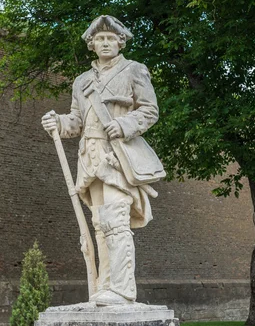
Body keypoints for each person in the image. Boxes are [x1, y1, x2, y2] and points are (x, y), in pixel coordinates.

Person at [41, 15, 164, 306]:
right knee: (98, 224)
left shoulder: (134, 70)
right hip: (90, 157)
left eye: (111, 38)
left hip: (117, 157)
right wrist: (57, 122)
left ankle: (122, 290)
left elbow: (150, 111)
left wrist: (124, 125)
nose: (106, 43)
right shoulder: (81, 81)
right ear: (92, 45)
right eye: (100, 39)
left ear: (121, 42)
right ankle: (105, 286)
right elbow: (76, 121)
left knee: (115, 221)